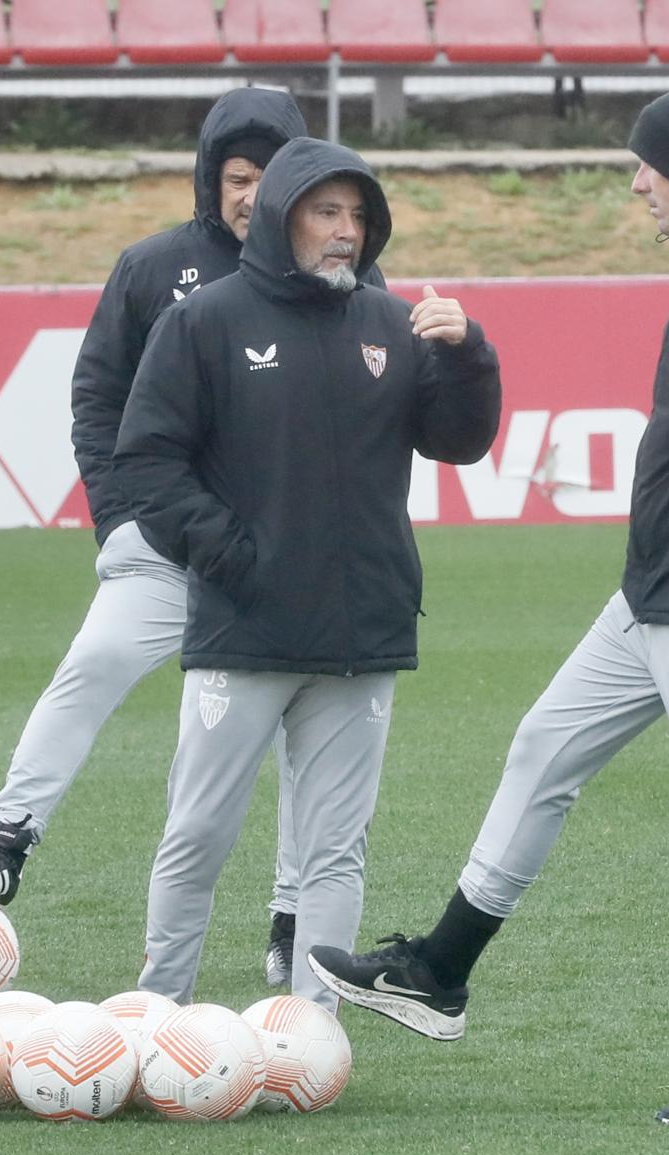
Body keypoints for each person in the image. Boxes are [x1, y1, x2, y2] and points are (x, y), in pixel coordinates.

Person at [307, 78, 669, 1121]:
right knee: (542, 745)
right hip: (662, 592)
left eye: (650, 165)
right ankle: (442, 969)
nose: (636, 184)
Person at [0, 88, 380, 989]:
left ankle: (292, 915)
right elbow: (99, 398)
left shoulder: (349, 284)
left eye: (268, 177)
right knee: (90, 666)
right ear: (209, 177)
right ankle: (7, 841)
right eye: (236, 175)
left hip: (280, 564)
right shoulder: (154, 268)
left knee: (307, 733)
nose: (252, 194)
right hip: (169, 551)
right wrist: (123, 517)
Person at [109, 136, 503, 1014]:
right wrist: (230, 556)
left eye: (359, 216)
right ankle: (156, 1011)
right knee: (199, 834)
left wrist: (470, 355)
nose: (347, 233)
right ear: (283, 215)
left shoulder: (390, 323)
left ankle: (309, 1032)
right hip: (242, 629)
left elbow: (458, 441)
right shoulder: (203, 321)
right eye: (327, 212)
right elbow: (147, 462)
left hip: (360, 636)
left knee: (335, 849)